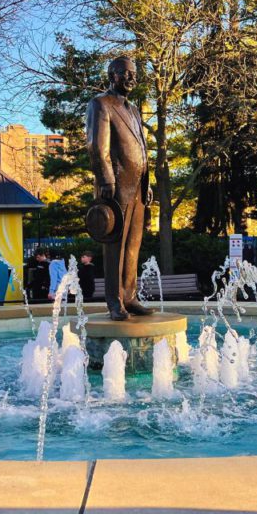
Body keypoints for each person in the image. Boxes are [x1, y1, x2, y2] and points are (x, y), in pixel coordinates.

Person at [86, 56, 154, 321]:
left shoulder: (134, 110)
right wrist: (106, 180)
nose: (131, 78)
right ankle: (115, 302)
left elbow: (142, 149)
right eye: (126, 73)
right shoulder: (100, 104)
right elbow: (96, 146)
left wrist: (148, 182)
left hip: (137, 187)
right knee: (116, 246)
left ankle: (130, 296)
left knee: (133, 245)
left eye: (134, 74)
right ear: (112, 75)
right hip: (115, 186)